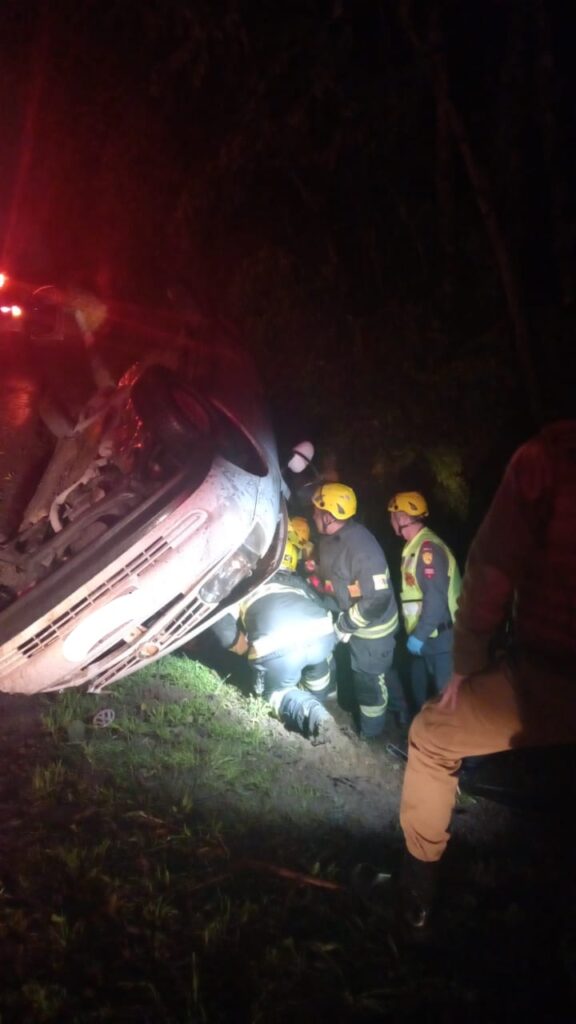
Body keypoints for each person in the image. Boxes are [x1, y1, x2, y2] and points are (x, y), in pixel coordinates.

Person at [396, 420, 576, 937]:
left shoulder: (550, 457)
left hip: (548, 674)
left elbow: (493, 564)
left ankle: (416, 902)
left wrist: (466, 661)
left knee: (431, 735)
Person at [210, 537, 338, 743]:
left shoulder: (245, 582)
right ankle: (320, 699)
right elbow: (321, 607)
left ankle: (316, 717)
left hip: (277, 644)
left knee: (275, 694)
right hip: (321, 635)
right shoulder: (298, 581)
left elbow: (223, 626)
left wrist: (243, 648)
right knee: (319, 663)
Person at [311, 483, 399, 739]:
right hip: (348, 614)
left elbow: (377, 599)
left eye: (317, 511)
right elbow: (338, 579)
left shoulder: (362, 548)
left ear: (328, 516)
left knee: (368, 683)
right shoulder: (332, 538)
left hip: (373, 629)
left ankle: (369, 738)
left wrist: (345, 625)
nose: (313, 514)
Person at [388, 491, 462, 713]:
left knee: (445, 700)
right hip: (424, 638)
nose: (390, 521)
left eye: (392, 516)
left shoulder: (428, 548)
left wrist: (419, 636)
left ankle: (449, 745)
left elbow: (435, 598)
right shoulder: (414, 546)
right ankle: (422, 738)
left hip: (439, 640)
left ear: (402, 519)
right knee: (421, 695)